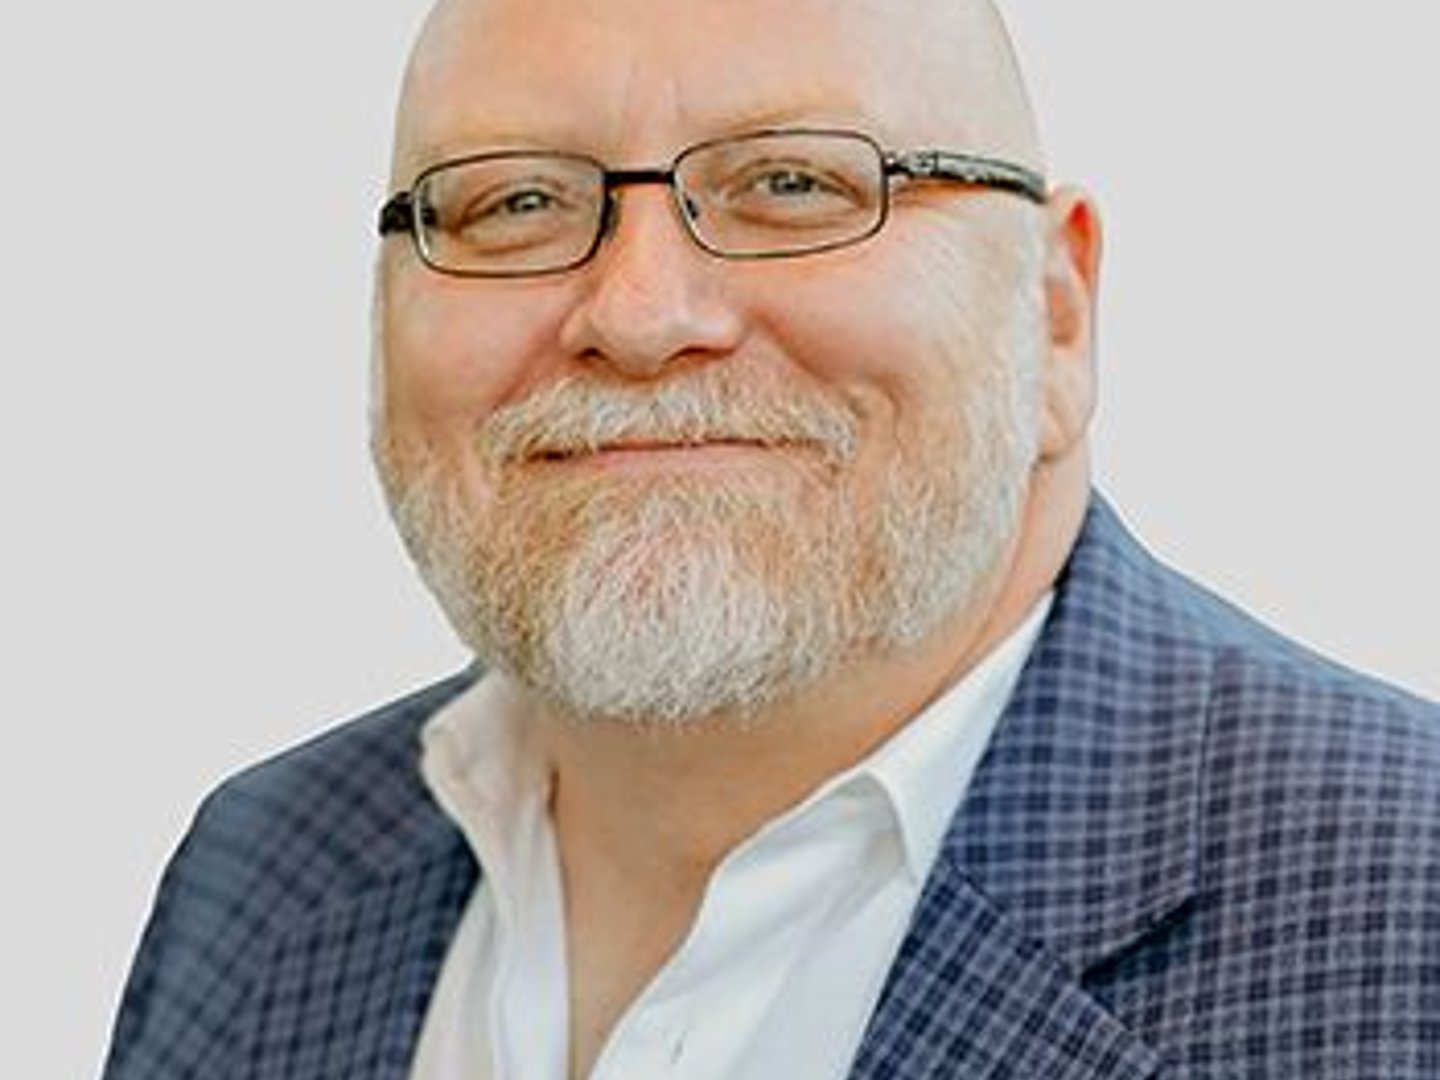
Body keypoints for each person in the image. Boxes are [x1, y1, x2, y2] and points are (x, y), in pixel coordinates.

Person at [102, 0, 1440, 1076]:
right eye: (514, 204)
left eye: (793, 183)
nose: (639, 316)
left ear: (1057, 312)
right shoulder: (259, 873)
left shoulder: (1404, 907)